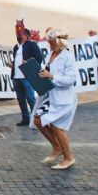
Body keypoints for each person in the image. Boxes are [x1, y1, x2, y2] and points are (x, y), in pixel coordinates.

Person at [32, 29, 78, 170]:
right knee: (38, 120)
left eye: (51, 42)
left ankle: (68, 158)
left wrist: (51, 76)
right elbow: (46, 71)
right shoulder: (50, 54)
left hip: (63, 97)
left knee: (57, 126)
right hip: (50, 95)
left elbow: (71, 79)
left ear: (58, 42)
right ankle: (57, 147)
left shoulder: (67, 57)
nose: (49, 45)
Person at [10, 27, 43, 126]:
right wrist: (12, 64)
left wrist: (29, 63)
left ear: (27, 36)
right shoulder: (16, 47)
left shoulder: (31, 45)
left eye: (21, 34)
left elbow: (39, 58)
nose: (18, 36)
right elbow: (16, 60)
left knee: (30, 98)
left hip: (27, 76)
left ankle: (35, 120)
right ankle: (25, 118)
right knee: (20, 99)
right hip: (16, 77)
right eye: (18, 34)